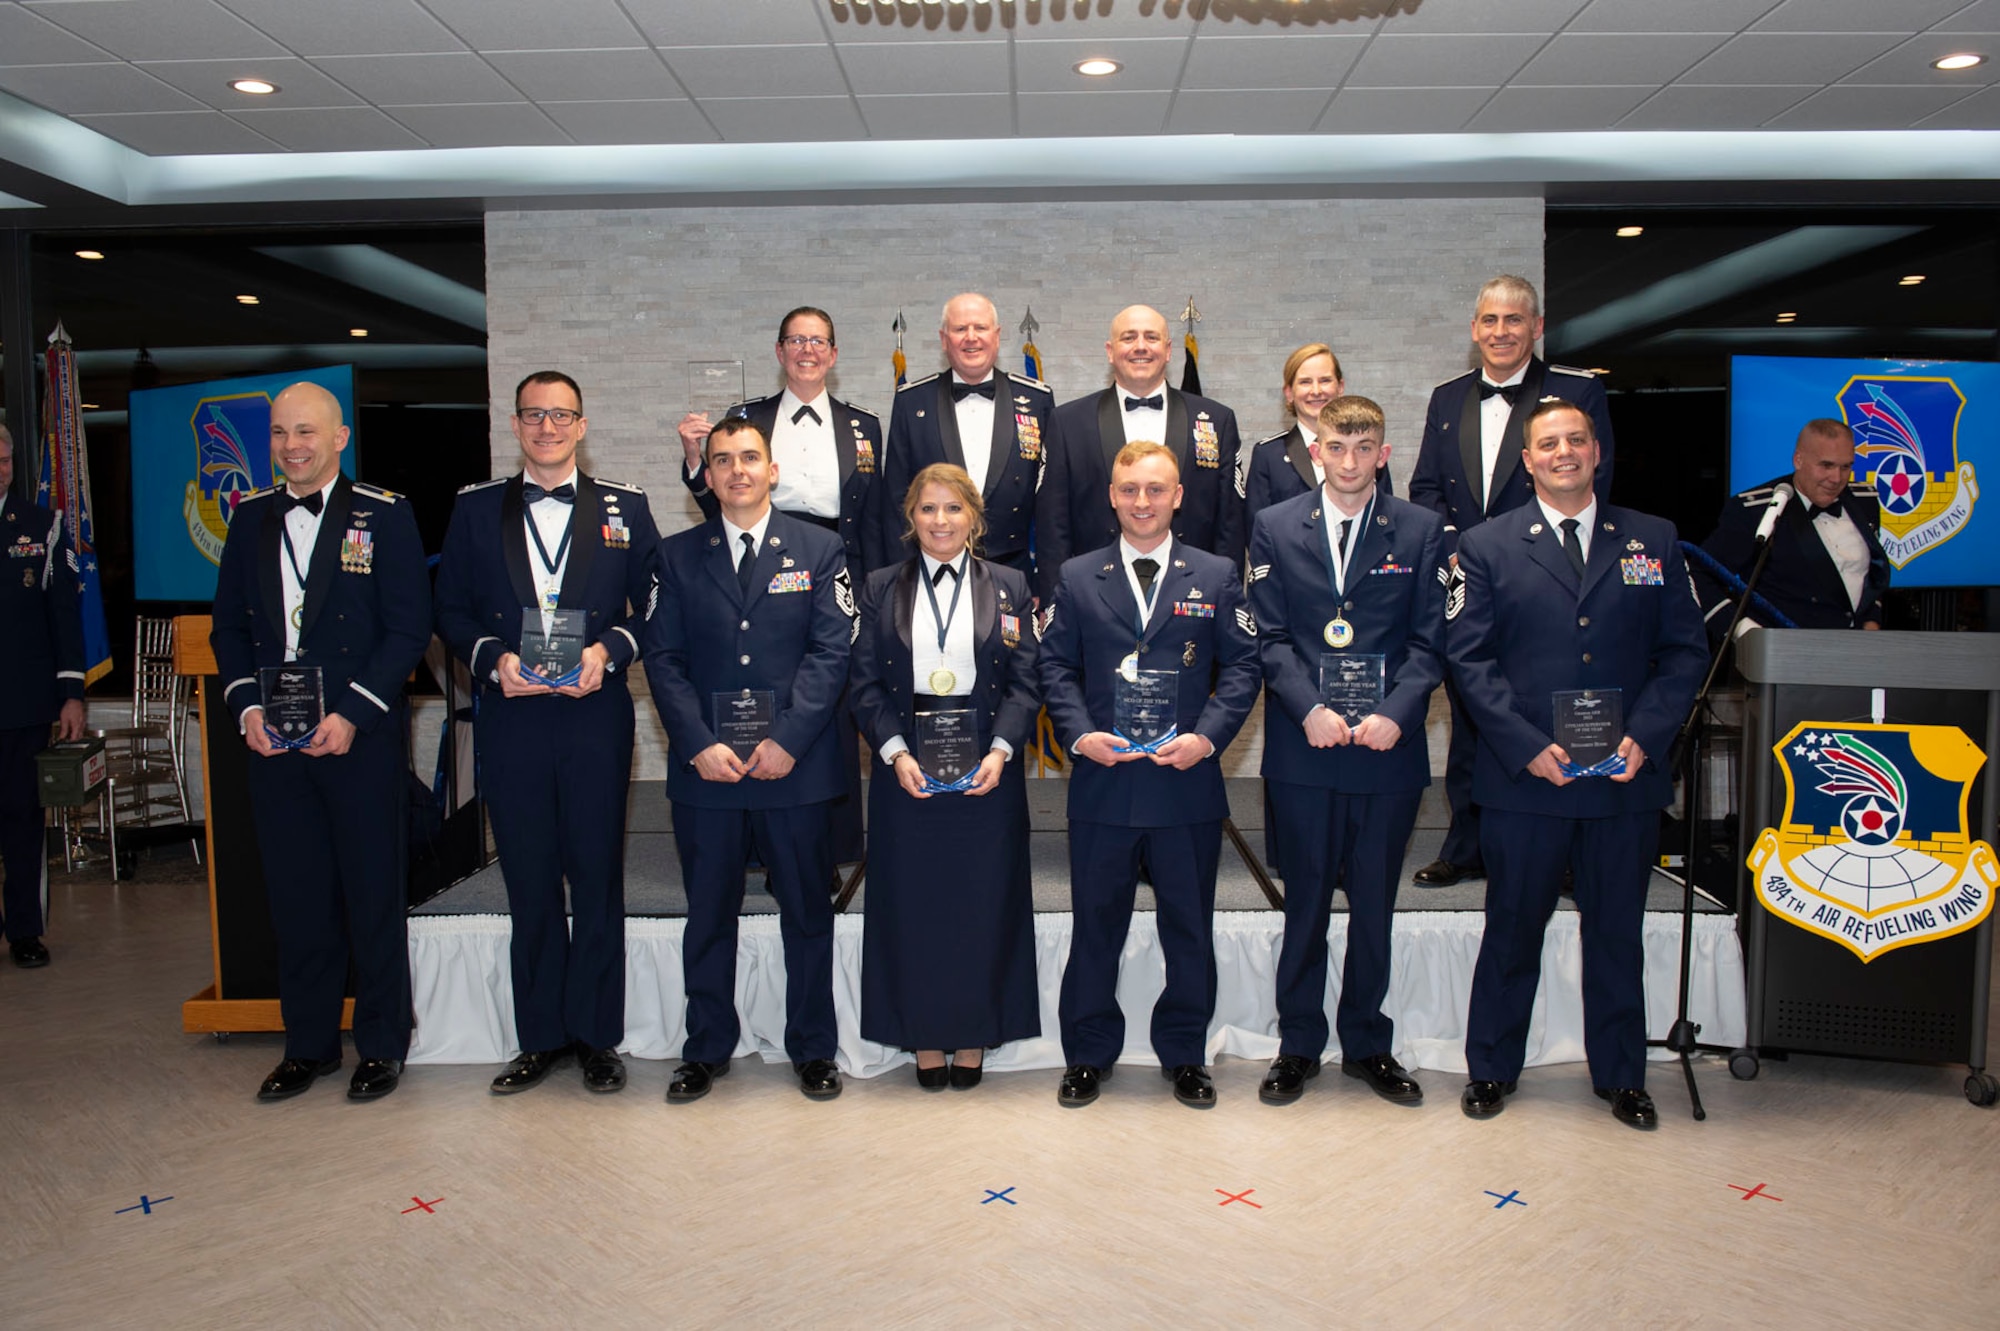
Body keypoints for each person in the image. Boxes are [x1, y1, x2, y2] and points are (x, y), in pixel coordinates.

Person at [1447, 399, 1705, 1131]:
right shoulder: (1485, 545)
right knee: (1511, 928)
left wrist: (1647, 736)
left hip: (1623, 779)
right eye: (1547, 443)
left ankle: (1622, 1075)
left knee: (1617, 933)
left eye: (1575, 440)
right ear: (1527, 460)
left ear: (1597, 451)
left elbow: (1685, 650)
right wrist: (1527, 745)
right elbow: (1468, 658)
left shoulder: (1654, 539)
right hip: (1527, 781)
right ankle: (1492, 1067)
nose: (1563, 452)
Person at [434, 371, 661, 1097]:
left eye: (561, 415)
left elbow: (658, 602)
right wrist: (493, 662)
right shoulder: (474, 511)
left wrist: (609, 651)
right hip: (514, 713)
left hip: (596, 712)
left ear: (583, 424)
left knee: (596, 876)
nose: (548, 427)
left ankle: (596, 1034)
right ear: (516, 424)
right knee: (529, 876)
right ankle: (539, 1037)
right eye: (535, 415)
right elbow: (450, 607)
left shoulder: (626, 506)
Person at [209, 382, 432, 1103]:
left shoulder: (385, 515)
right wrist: (246, 709)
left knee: (371, 893)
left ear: (338, 438)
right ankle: (306, 1045)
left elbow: (407, 628)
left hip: (356, 738)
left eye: (305, 431)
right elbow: (228, 629)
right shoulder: (248, 519)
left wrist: (351, 714)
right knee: (297, 897)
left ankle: (381, 1045)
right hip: (275, 743)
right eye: (278, 433)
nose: (291, 446)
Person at [1038, 441, 1261, 1110]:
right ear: (1111, 494)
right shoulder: (1078, 576)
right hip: (1104, 782)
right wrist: (1079, 735)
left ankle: (1185, 1053)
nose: (1142, 501)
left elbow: (1244, 668)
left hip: (1184, 781)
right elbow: (1055, 667)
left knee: (1188, 924)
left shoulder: (1218, 574)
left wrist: (1207, 739)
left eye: (1155, 489)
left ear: (1178, 496)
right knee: (1094, 924)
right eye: (1130, 488)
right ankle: (1087, 1053)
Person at [642, 416, 855, 1104]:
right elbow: (663, 659)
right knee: (708, 914)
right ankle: (705, 1046)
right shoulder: (675, 557)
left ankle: (813, 1048)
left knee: (807, 914)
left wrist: (788, 739)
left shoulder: (821, 549)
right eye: (723, 460)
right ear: (707, 476)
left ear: (773, 469)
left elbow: (833, 653)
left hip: (795, 769)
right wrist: (698, 742)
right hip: (707, 774)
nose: (737, 470)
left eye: (750, 458)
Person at [1247, 396, 1444, 1107]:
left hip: (1388, 751)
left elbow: (1430, 642)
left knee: (1373, 906)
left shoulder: (1421, 530)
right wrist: (1311, 709)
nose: (1351, 461)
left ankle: (1367, 1042)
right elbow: (1267, 638)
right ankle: (1298, 1042)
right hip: (1307, 747)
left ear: (1383, 453)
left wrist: (1397, 713)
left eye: (1365, 448)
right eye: (1338, 447)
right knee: (1305, 905)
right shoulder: (1273, 526)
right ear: (1317, 450)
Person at [1407, 274, 1616, 890]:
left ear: (1537, 327)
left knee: (1551, 700)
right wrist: (1455, 552)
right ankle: (1468, 846)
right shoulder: (1447, 399)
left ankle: (1565, 852)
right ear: (1475, 331)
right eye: (1490, 322)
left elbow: (1594, 484)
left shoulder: (1576, 393)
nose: (1501, 332)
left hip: (1551, 577)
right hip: (1474, 579)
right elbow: (1425, 489)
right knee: (1475, 705)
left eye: (1514, 320)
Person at [850, 464, 1041, 1089]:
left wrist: (1003, 750)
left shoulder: (1011, 584)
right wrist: (896, 752)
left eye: (953, 509)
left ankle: (976, 1034)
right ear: (911, 517)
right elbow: (865, 684)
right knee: (913, 906)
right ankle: (923, 1038)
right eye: (928, 509)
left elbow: (1025, 681)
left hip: (988, 773)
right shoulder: (879, 586)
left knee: (985, 905)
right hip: (907, 774)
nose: (940, 521)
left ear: (974, 517)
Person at [678, 306, 879, 866]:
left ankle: (827, 843)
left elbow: (877, 517)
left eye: (818, 342)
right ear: (779, 351)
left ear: (834, 355)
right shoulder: (746, 417)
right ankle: (750, 843)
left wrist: (878, 593)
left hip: (833, 566)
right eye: (796, 340)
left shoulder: (864, 424)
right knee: (755, 683)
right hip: (758, 561)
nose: (807, 350)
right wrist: (694, 459)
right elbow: (720, 492)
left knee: (826, 702)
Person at [1033, 304, 1244, 606]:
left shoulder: (1216, 419)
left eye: (1151, 337)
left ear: (1169, 349)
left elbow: (1231, 525)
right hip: (1094, 598)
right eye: (1129, 338)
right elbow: (1052, 525)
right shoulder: (1068, 423)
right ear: (1110, 350)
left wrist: (1226, 600)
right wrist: (1058, 604)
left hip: (1194, 597)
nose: (1141, 347)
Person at [875, 293, 1055, 581]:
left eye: (980, 328)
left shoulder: (1036, 400)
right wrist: (903, 579)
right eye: (960, 329)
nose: (971, 338)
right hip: (931, 569)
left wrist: (1043, 583)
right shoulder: (912, 402)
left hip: (1015, 571)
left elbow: (1049, 501)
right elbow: (896, 499)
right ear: (944, 339)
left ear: (996, 336)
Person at [0, 422, 86, 970]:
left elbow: (65, 619)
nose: (0, 468)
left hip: (23, 705)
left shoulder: (42, 526)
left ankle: (25, 932)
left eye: (5, 459)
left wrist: (71, 693)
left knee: (22, 821)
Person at [1696, 419, 1889, 637]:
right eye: (1826, 465)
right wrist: (1744, 632)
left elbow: (1872, 574)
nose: (1836, 478)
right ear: (1798, 460)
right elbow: (1698, 575)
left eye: (1846, 467)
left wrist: (1872, 619)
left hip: (1857, 654)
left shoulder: (1865, 501)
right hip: (1782, 656)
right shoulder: (1756, 510)